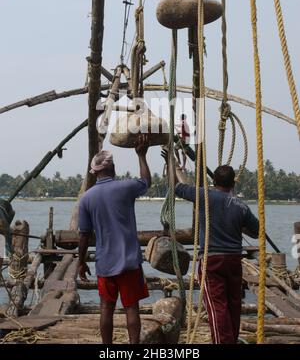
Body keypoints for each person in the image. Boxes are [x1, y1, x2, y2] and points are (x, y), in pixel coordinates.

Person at [166, 157, 259, 344]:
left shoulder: (205, 195)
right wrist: (237, 225)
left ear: (213, 182)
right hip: (234, 260)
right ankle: (230, 339)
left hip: (212, 260)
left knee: (217, 308)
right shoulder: (241, 206)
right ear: (233, 183)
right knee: (233, 305)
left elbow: (176, 187)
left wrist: (171, 165)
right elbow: (256, 232)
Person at [78, 135, 151, 345]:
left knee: (106, 308)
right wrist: (142, 156)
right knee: (131, 308)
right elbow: (146, 181)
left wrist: (81, 262)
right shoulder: (126, 187)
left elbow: (84, 235)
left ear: (95, 172)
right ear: (113, 168)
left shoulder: (87, 198)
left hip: (105, 262)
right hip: (129, 261)